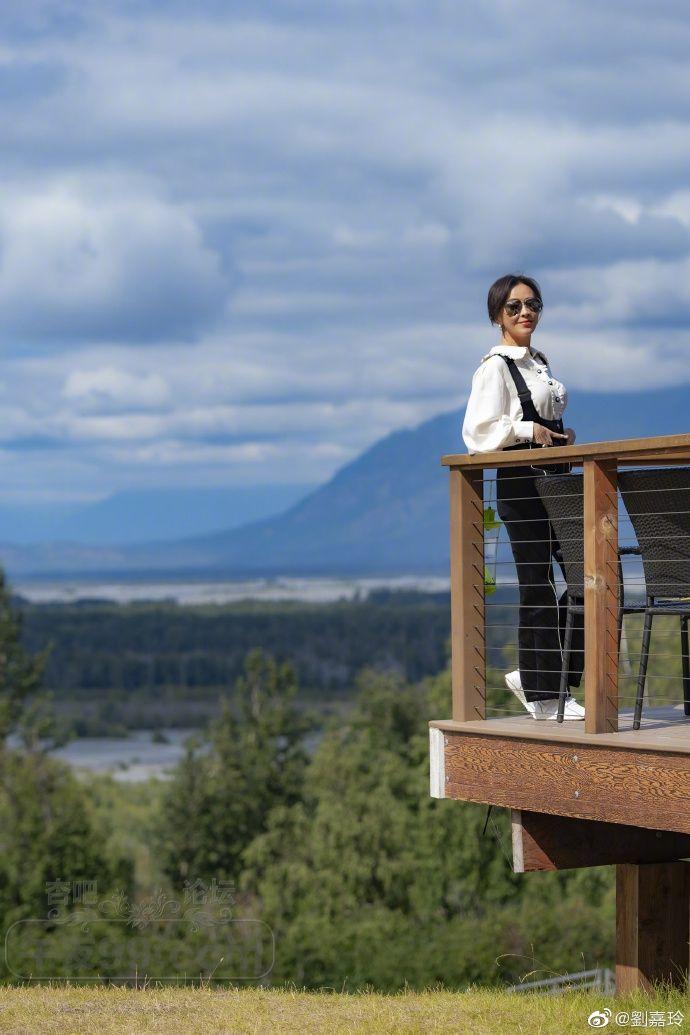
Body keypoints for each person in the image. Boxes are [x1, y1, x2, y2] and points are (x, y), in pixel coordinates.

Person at [461, 273, 585, 721]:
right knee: (537, 584)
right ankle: (544, 693)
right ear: (497, 315)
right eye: (514, 307)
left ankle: (540, 675)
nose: (525, 312)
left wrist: (559, 437)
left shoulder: (539, 362)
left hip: (558, 479)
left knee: (589, 578)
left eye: (532, 304)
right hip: (521, 483)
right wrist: (527, 429)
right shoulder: (495, 367)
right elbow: (477, 433)